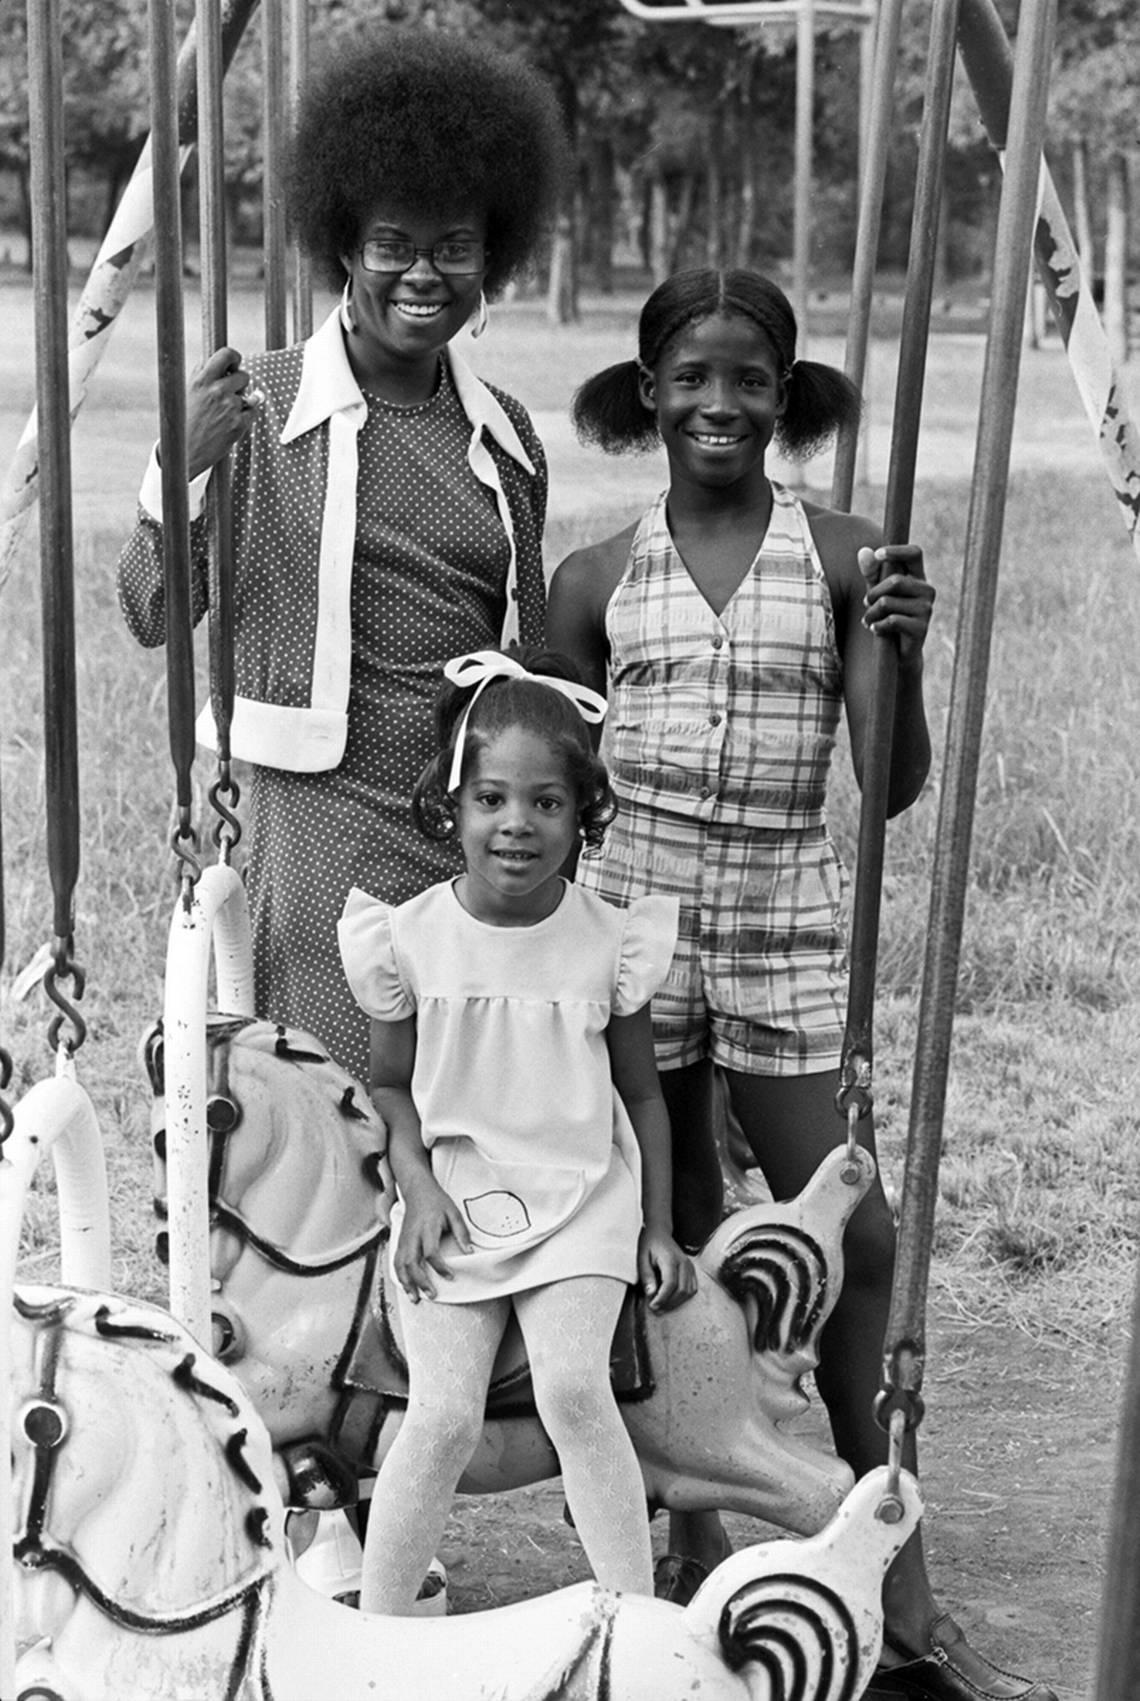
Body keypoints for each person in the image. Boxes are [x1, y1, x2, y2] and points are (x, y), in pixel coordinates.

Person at [546, 268, 1056, 1701]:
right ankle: (693, 1534)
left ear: (786, 397)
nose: (721, 403)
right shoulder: (594, 581)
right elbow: (548, 781)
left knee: (861, 1234)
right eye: (693, 377)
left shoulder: (841, 556)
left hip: (782, 915)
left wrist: (899, 646)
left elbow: (883, 790)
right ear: (649, 390)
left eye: (751, 380)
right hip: (636, 924)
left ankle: (894, 1566)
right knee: (678, 1238)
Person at [117, 29, 567, 1086]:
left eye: (455, 246)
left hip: (462, 811)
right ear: (344, 244)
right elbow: (147, 612)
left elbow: (534, 652)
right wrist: (173, 471)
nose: (424, 273)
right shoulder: (258, 405)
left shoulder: (506, 433)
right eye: (393, 243)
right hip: (317, 815)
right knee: (333, 1098)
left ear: (490, 253)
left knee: (458, 1095)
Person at [336, 647, 697, 1614]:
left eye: (547, 803)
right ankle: (377, 1637)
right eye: (491, 798)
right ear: (451, 807)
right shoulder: (406, 938)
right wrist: (416, 1188)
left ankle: (631, 1626)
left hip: (582, 1194)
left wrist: (655, 1225)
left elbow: (644, 1098)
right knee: (444, 1413)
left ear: (584, 816)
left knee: (577, 1390)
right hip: (456, 1190)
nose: (517, 825)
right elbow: (388, 1085)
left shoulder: (607, 941)